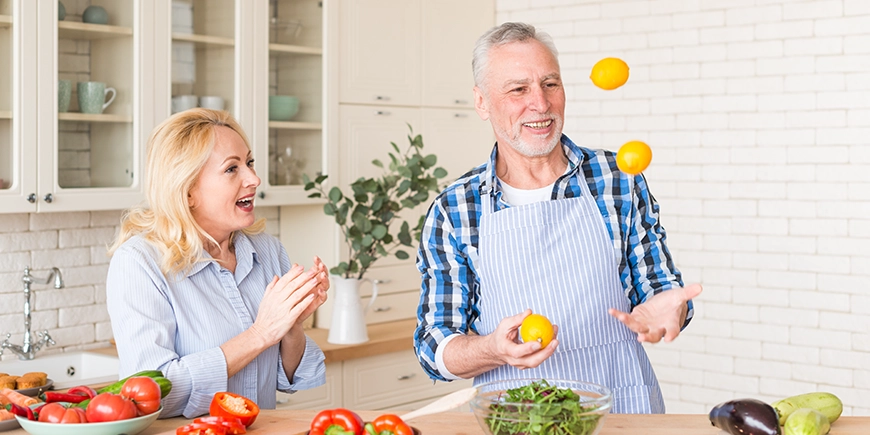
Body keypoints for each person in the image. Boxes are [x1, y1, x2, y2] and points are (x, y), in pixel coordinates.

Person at [413, 22, 703, 414]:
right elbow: (434, 344)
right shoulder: (455, 208)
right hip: (515, 416)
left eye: (550, 84)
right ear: (482, 103)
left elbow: (660, 288)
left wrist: (670, 307)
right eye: (518, 89)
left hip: (623, 408)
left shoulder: (617, 179)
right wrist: (491, 349)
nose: (541, 103)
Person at [106, 108, 330, 418]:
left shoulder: (267, 251)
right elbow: (148, 395)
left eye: (249, 163)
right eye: (231, 169)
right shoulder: (140, 263)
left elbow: (285, 378)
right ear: (187, 191)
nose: (254, 178)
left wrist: (292, 324)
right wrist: (260, 333)